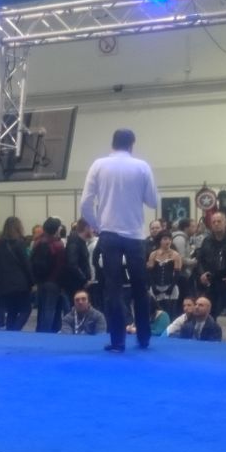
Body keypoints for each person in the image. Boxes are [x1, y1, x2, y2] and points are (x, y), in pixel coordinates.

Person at [79, 128, 159, 352]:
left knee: (112, 289)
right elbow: (152, 201)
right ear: (132, 144)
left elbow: (85, 203)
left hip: (109, 234)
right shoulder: (142, 166)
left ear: (112, 143)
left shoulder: (98, 165)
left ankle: (117, 340)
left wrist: (97, 224)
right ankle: (143, 337)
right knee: (140, 288)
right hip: (135, 235)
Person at [195, 211, 226, 341]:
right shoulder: (207, 241)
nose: (216, 224)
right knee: (210, 312)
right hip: (212, 281)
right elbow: (200, 260)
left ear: (225, 223)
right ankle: (210, 339)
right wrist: (202, 274)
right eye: (214, 222)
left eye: (219, 221)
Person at [0, 216, 33, 331]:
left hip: (4, 282)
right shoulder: (19, 243)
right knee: (26, 309)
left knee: (12, 310)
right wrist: (32, 281)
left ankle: (10, 333)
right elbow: (26, 264)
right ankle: (15, 330)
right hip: (19, 283)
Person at [33, 217, 67, 333]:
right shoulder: (58, 245)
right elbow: (61, 266)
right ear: (56, 229)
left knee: (42, 308)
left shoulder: (38, 243)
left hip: (41, 281)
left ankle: (41, 331)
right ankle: (47, 332)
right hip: (54, 281)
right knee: (50, 309)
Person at [147, 231, 182, 318]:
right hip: (156, 287)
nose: (168, 241)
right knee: (156, 312)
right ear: (160, 241)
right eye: (165, 239)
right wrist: (153, 286)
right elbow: (149, 272)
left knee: (170, 312)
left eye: (170, 239)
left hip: (170, 287)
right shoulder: (153, 254)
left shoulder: (175, 255)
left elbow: (177, 273)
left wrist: (171, 287)